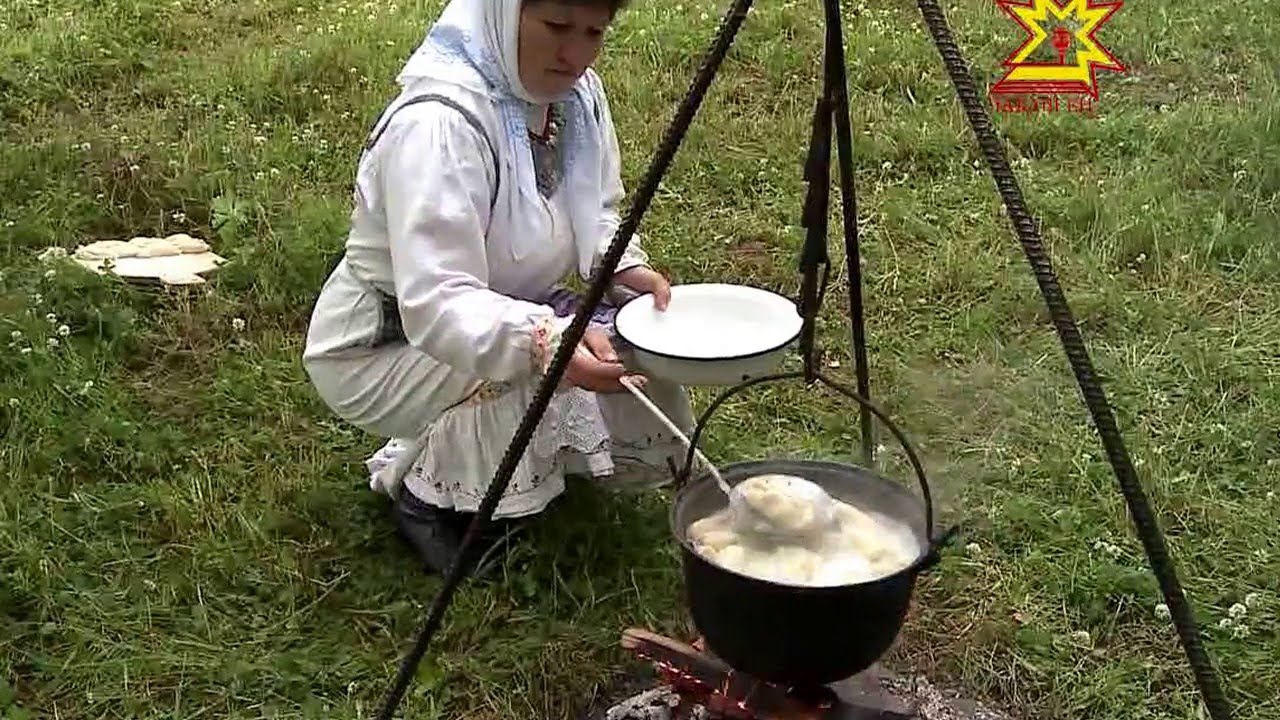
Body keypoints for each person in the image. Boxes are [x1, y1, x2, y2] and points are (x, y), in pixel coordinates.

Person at [302, 0, 695, 576]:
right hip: (387, 344)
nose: (576, 54)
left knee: (634, 353)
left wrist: (617, 267)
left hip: (503, 305)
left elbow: (595, 207)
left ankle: (513, 463)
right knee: (535, 370)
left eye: (594, 32)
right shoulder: (439, 125)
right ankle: (426, 498)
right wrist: (545, 340)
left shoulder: (575, 97)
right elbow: (438, 300)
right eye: (556, 26)